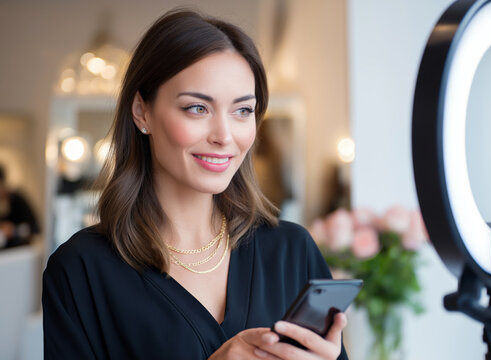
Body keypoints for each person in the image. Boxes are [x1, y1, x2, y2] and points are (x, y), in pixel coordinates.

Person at [42, 9, 348, 360]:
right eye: (197, 108)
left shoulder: (292, 251)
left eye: (243, 111)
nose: (224, 136)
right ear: (142, 111)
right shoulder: (81, 269)